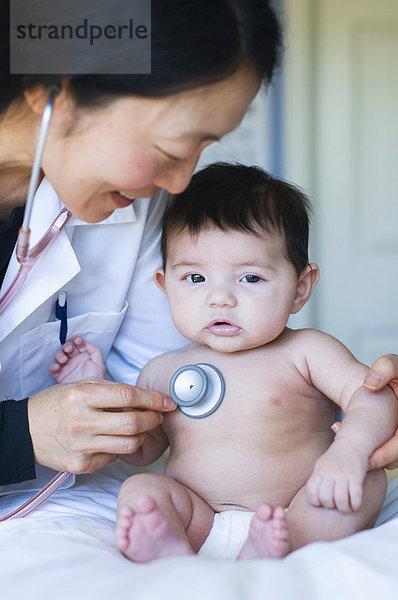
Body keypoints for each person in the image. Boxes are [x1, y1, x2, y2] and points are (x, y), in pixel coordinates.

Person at [0, 0, 282, 493]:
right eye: (171, 149)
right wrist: (19, 435)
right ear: (57, 94)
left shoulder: (137, 207)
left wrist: (344, 394)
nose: (178, 183)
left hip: (70, 512)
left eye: (202, 150)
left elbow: (179, 390)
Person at [50, 163, 397, 561]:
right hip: (204, 518)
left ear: (300, 288)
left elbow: (375, 395)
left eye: (249, 278)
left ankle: (286, 545)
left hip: (299, 510)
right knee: (141, 490)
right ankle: (168, 545)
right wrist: (98, 391)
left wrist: (348, 451)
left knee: (366, 481)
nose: (219, 298)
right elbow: (142, 451)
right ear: (165, 286)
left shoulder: (307, 352)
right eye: (195, 279)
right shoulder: (161, 371)